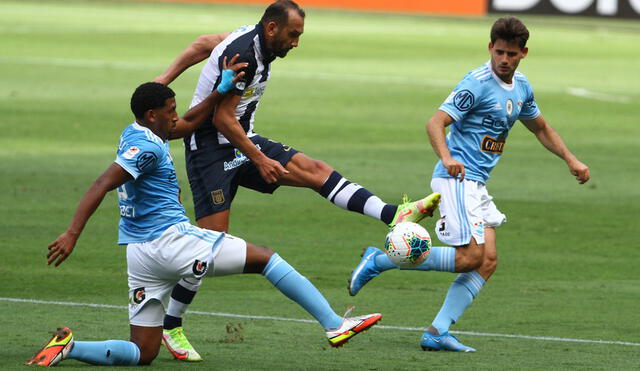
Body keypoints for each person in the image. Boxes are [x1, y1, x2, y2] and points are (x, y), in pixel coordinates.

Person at [25, 61, 382, 367]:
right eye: (170, 110)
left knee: (142, 352)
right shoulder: (147, 146)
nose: (176, 116)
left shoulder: (135, 132)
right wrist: (72, 233)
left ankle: (70, 348)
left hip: (139, 254)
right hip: (170, 241)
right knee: (266, 259)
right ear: (153, 115)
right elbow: (102, 182)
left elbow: (189, 124)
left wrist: (218, 91)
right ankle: (334, 323)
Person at [153, 0, 440, 361]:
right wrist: (260, 159)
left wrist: (161, 81)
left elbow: (203, 42)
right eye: (293, 34)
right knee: (209, 250)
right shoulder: (246, 57)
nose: (296, 43)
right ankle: (171, 323)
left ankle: (392, 214)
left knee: (315, 170)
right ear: (272, 29)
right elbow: (224, 119)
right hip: (209, 151)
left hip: (242, 140)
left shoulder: (253, 39)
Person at [347, 16, 590, 352]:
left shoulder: (521, 87)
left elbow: (541, 128)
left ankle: (437, 331)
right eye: (499, 52)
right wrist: (447, 157)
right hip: (456, 178)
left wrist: (571, 160)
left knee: (488, 260)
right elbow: (435, 123)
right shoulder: (475, 83)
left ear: (524, 54)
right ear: (490, 47)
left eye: (512, 54)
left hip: (477, 184)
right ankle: (379, 260)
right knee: (469, 258)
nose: (504, 59)